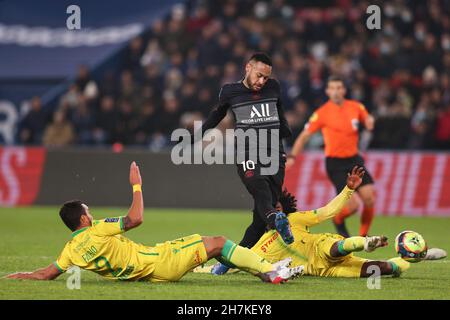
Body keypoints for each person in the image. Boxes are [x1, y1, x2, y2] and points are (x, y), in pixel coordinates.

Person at [5, 162, 303, 284]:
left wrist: (14, 277)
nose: (92, 215)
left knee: (213, 245)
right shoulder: (97, 229)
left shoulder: (69, 251)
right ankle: (269, 270)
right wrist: (136, 185)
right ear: (84, 218)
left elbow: (44, 274)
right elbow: (136, 218)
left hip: (149, 272)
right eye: (89, 211)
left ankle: (263, 272)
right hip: (159, 262)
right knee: (219, 242)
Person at [182, 52, 294, 275]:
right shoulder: (230, 91)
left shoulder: (274, 87)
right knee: (260, 190)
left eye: (266, 78)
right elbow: (216, 116)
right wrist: (195, 136)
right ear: (248, 68)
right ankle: (275, 218)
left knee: (259, 222)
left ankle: (226, 264)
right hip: (247, 151)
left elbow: (279, 110)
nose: (262, 82)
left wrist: (285, 131)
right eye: (259, 75)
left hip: (274, 154)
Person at [195, 166, 410, 278]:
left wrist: (349, 189)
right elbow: (238, 264)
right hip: (322, 271)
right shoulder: (260, 246)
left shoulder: (294, 219)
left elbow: (327, 211)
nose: (275, 213)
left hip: (319, 247)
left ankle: (365, 243)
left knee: (335, 249)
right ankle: (406, 260)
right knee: (382, 269)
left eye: (277, 209)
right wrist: (200, 270)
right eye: (270, 210)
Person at [287, 76, 376, 238]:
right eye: (332, 88)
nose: (336, 91)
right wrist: (292, 156)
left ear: (344, 90)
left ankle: (364, 236)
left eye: (339, 88)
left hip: (354, 159)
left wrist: (370, 121)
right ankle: (338, 218)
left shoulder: (356, 107)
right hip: (335, 164)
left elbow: (367, 118)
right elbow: (304, 136)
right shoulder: (322, 113)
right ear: (328, 91)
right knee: (354, 206)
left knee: (369, 198)